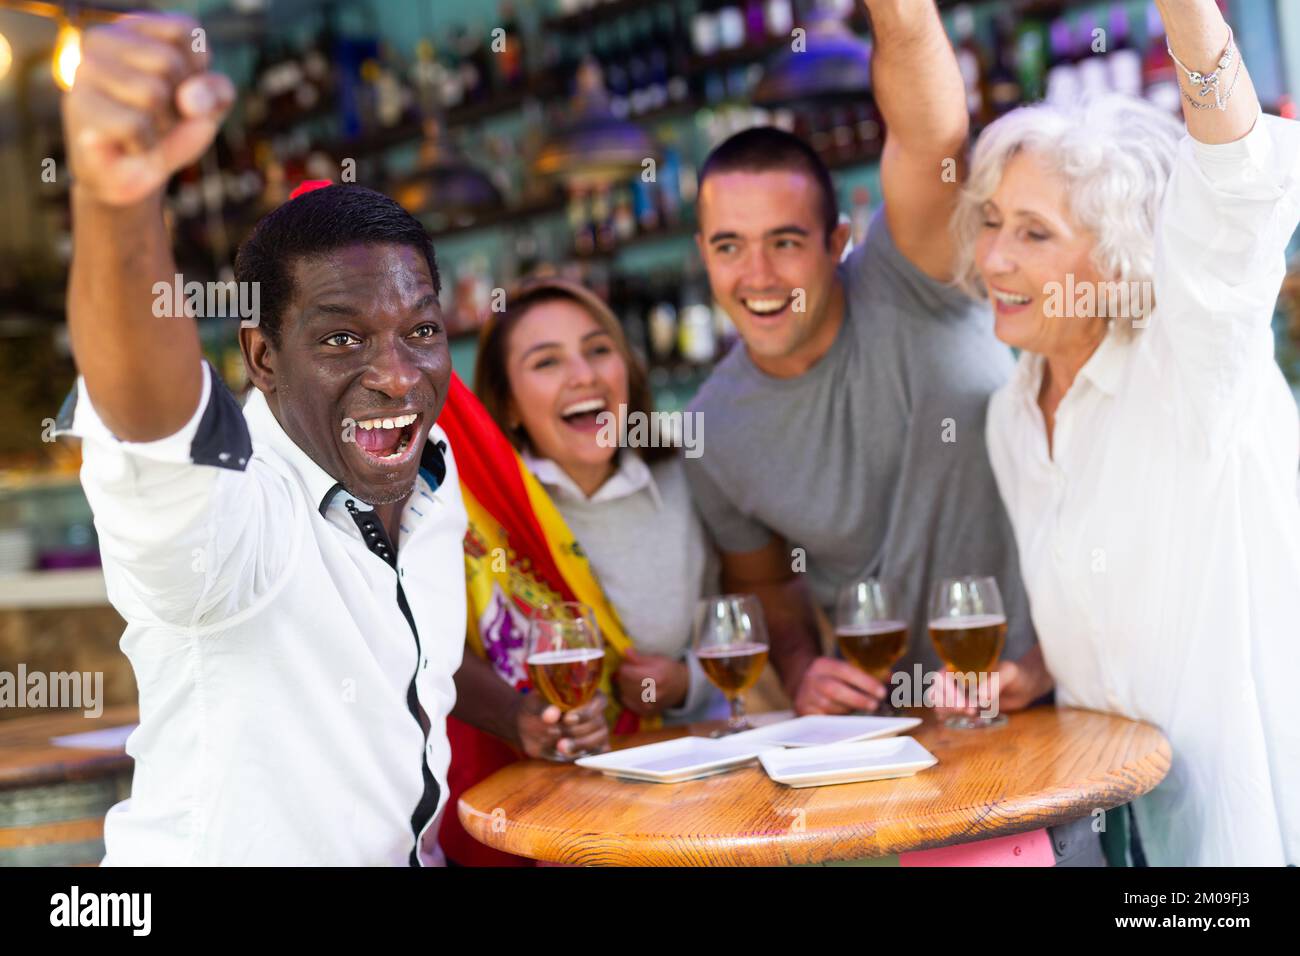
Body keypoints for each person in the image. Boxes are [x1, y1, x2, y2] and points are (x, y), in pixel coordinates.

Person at [56, 12, 581, 865]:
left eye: (419, 331)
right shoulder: (239, 510)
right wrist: (115, 200)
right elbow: (149, 423)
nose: (397, 375)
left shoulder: (430, 483)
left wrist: (520, 714)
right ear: (262, 357)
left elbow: (407, 675)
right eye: (341, 338)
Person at [949, 0, 1300, 865]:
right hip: (1105, 835)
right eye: (992, 221)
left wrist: (1185, 11)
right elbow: (1104, 612)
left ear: (1114, 253)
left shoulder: (1193, 366)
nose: (995, 257)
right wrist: (1035, 670)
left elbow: (1235, 195)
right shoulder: (1011, 414)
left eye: (1035, 232)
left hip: (1231, 833)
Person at [683, 0, 1037, 719]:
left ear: (837, 241)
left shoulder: (912, 274)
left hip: (1052, 687)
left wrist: (900, 15)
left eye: (784, 242)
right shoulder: (711, 429)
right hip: (894, 743)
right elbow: (772, 588)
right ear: (703, 257)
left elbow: (931, 132)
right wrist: (804, 668)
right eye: (729, 247)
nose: (757, 276)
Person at [472, 278, 722, 727]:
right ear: (508, 404)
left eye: (599, 350)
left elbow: (745, 623)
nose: (584, 375)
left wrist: (687, 682)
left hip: (689, 763)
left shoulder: (690, 474)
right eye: (547, 361)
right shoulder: (486, 519)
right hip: (540, 786)